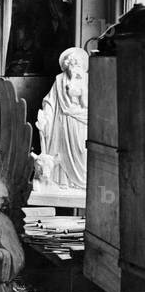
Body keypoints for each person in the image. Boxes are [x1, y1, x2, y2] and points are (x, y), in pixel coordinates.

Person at [36, 47, 89, 188]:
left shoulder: (87, 79)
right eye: (70, 64)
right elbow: (50, 100)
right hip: (61, 121)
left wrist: (78, 91)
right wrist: (45, 117)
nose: (73, 67)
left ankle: (81, 183)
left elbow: (88, 104)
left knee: (81, 150)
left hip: (80, 121)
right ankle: (64, 181)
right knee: (60, 153)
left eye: (76, 63)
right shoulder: (59, 79)